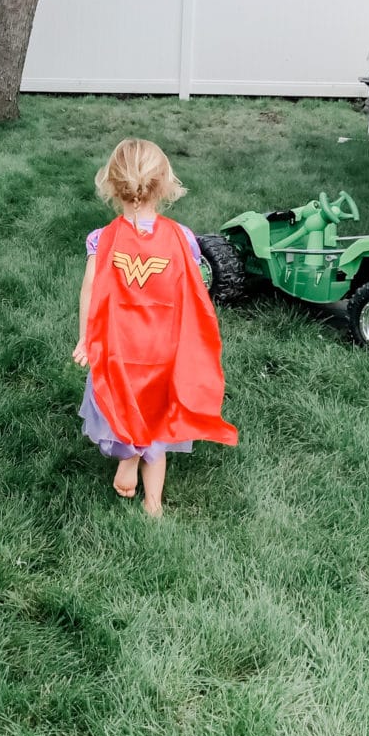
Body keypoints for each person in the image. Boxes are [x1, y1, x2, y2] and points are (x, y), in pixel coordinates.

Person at [72, 139, 237, 517]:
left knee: (119, 408)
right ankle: (153, 503)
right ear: (163, 185)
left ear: (113, 185)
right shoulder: (183, 239)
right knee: (158, 418)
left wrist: (86, 337)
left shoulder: (103, 239)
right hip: (163, 349)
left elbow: (90, 290)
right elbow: (192, 294)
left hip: (118, 347)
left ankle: (129, 456)